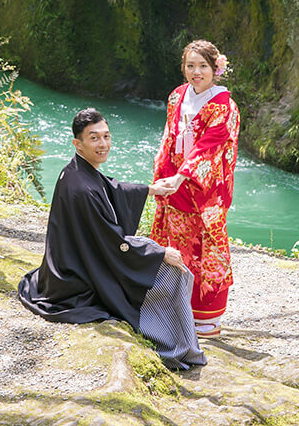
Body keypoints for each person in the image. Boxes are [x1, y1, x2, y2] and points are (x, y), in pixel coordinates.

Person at [18, 108, 206, 369]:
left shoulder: (76, 170)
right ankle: (177, 344)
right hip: (76, 281)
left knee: (154, 251)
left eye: (106, 136)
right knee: (171, 271)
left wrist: (151, 190)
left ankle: (181, 335)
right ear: (78, 144)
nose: (103, 144)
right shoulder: (82, 187)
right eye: (94, 138)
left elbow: (111, 188)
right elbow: (113, 243)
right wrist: (161, 254)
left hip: (70, 264)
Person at [151, 39, 240, 337]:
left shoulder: (224, 106)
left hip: (205, 190)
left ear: (216, 69)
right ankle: (171, 308)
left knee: (206, 250)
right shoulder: (177, 96)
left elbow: (209, 148)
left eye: (203, 66)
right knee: (173, 243)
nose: (196, 72)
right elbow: (169, 135)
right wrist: (163, 171)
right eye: (190, 66)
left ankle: (206, 318)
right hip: (174, 184)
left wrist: (183, 176)